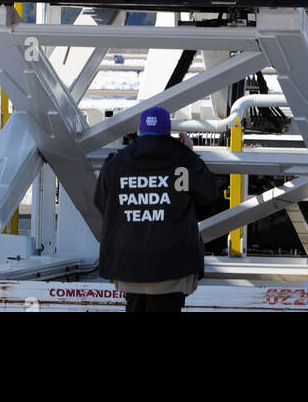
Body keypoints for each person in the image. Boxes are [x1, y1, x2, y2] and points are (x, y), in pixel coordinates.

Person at [94, 105, 221, 312]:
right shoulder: (184, 162)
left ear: (139, 129)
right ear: (169, 132)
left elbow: (102, 203)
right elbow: (208, 199)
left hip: (128, 262)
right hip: (172, 264)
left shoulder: (116, 163)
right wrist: (188, 154)